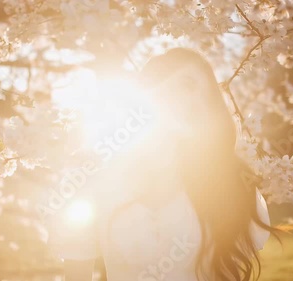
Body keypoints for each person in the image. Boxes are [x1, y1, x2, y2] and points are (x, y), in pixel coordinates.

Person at [46, 48, 275, 281]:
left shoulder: (231, 186)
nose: (171, 92)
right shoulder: (96, 182)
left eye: (186, 84)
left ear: (207, 103)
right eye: (160, 82)